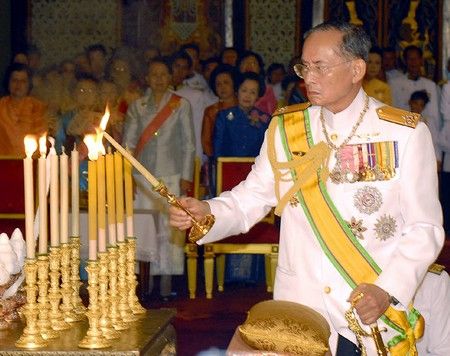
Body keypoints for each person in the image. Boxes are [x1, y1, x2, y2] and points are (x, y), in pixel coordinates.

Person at [169, 22, 444, 355]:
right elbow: (252, 197)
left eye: (320, 67)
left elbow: (424, 229)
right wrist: (208, 211)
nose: (308, 77)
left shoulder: (404, 134)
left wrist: (386, 290)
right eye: (304, 66)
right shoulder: (288, 129)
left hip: (371, 310)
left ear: (357, 69)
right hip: (302, 310)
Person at [123, 57, 195, 300]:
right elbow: (128, 145)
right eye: (154, 74)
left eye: (164, 74)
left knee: (169, 227)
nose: (159, 79)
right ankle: (144, 279)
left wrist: (186, 176)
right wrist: (127, 175)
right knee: (143, 228)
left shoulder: (180, 105)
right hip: (142, 177)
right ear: (146, 78)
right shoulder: (137, 106)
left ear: (170, 77)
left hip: (172, 174)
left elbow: (189, 144)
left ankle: (169, 279)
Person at [213, 71, 269, 159]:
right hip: (228, 167)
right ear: (237, 91)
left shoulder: (265, 119)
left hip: (255, 168)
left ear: (258, 96)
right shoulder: (225, 116)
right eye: (244, 90)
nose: (247, 96)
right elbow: (218, 147)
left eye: (253, 92)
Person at [0, 63, 47, 156]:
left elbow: (42, 137)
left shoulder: (38, 107)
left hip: (31, 162)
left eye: (23, 81)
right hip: (3, 162)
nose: (18, 85)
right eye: (14, 80)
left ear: (29, 84)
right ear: (8, 83)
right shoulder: (1, 105)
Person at [236, 50, 277, 115]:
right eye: (245, 62)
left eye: (253, 63)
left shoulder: (267, 90)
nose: (249, 66)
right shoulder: (232, 86)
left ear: (259, 68)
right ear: (239, 67)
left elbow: (272, 113)